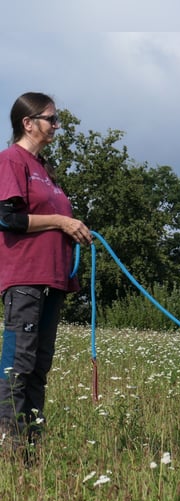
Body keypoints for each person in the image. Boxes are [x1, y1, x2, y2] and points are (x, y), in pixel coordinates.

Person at [0, 92, 92, 455]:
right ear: (28, 122)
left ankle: (31, 448)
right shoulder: (11, 160)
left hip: (54, 279)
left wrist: (74, 229)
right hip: (26, 276)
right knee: (18, 363)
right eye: (51, 119)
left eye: (57, 119)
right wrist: (60, 221)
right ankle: (8, 445)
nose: (57, 126)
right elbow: (7, 218)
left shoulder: (46, 171)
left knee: (39, 366)